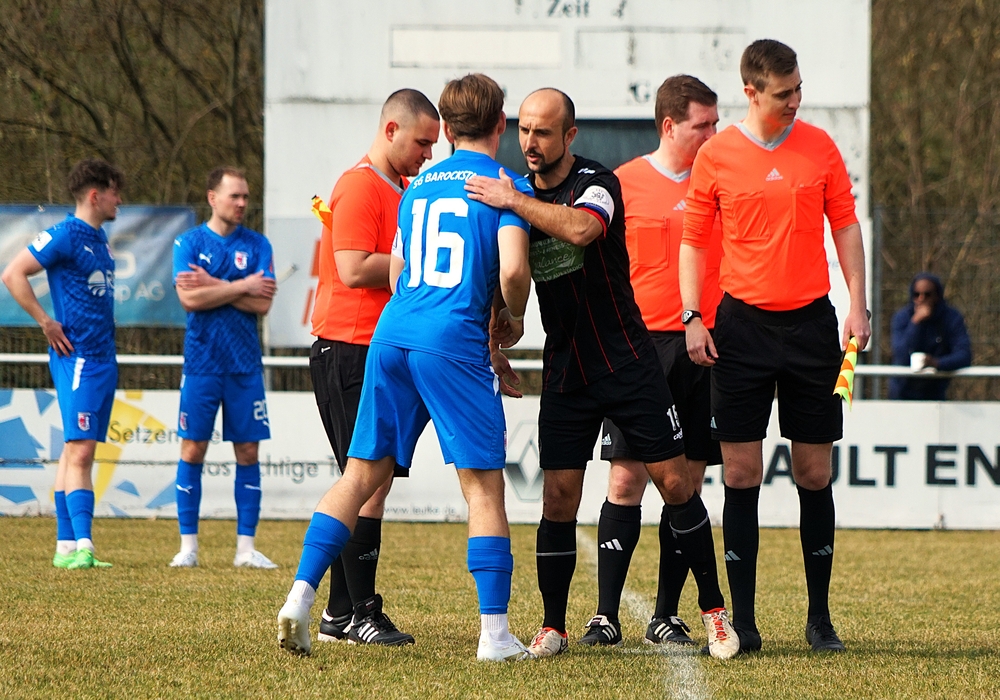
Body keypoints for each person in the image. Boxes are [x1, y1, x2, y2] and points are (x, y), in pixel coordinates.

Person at [465, 88, 739, 660]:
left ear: (569, 136)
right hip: (566, 369)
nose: (531, 142)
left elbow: (582, 231)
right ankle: (553, 625)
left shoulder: (597, 182)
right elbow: (503, 274)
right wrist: (497, 331)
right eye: (524, 131)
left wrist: (514, 200)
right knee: (558, 498)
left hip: (628, 361)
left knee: (676, 484)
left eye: (544, 132)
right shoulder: (512, 193)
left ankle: (715, 614)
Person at [277, 72, 535, 662]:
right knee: (483, 487)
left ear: (446, 129)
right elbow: (514, 271)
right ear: (501, 124)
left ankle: (300, 597)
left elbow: (396, 270)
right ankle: (495, 634)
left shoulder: (415, 189)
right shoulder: (506, 185)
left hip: (392, 332)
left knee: (359, 475)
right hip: (451, 340)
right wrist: (511, 319)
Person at [679, 39, 872, 654]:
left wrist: (858, 302)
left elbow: (845, 226)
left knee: (815, 472)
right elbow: (694, 240)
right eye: (784, 93)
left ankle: (820, 619)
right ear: (751, 92)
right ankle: (745, 622)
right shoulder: (716, 155)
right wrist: (693, 316)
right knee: (741, 472)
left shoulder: (820, 147)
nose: (795, 101)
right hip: (740, 329)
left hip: (812, 326)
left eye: (798, 89)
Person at [581, 75, 725, 648]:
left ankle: (665, 614)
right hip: (637, 351)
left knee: (685, 485)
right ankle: (604, 616)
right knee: (625, 479)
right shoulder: (623, 184)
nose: (713, 134)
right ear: (669, 125)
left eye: (716, 124)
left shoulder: (722, 183)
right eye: (702, 125)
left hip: (703, 349)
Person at [309, 88, 440, 646]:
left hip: (376, 348)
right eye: (422, 142)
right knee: (361, 482)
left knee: (372, 482)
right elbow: (353, 267)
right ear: (391, 130)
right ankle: (359, 611)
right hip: (347, 347)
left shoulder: (403, 189)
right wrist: (420, 263)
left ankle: (341, 613)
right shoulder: (361, 184)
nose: (428, 155)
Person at [1, 158, 124, 570]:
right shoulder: (65, 235)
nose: (119, 200)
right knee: (82, 451)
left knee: (74, 451)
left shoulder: (100, 238)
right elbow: (13, 274)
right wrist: (45, 322)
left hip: (103, 358)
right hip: (79, 359)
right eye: (114, 192)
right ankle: (85, 545)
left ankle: (66, 547)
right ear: (95, 195)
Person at [169, 167, 278, 569]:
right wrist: (243, 285)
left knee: (248, 451)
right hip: (201, 363)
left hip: (244, 364)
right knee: (193, 448)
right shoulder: (188, 242)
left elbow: (263, 304)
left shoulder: (258, 244)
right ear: (212, 198)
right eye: (235, 196)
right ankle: (188, 547)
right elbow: (189, 301)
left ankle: (246, 549)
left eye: (246, 196)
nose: (242, 203)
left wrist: (212, 284)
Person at [888, 272, 972, 400]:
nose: (921, 299)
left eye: (927, 295)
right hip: (902, 391)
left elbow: (964, 355)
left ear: (937, 296)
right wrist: (915, 323)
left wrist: (936, 363)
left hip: (936, 391)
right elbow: (900, 355)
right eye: (916, 294)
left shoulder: (951, 318)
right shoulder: (902, 317)